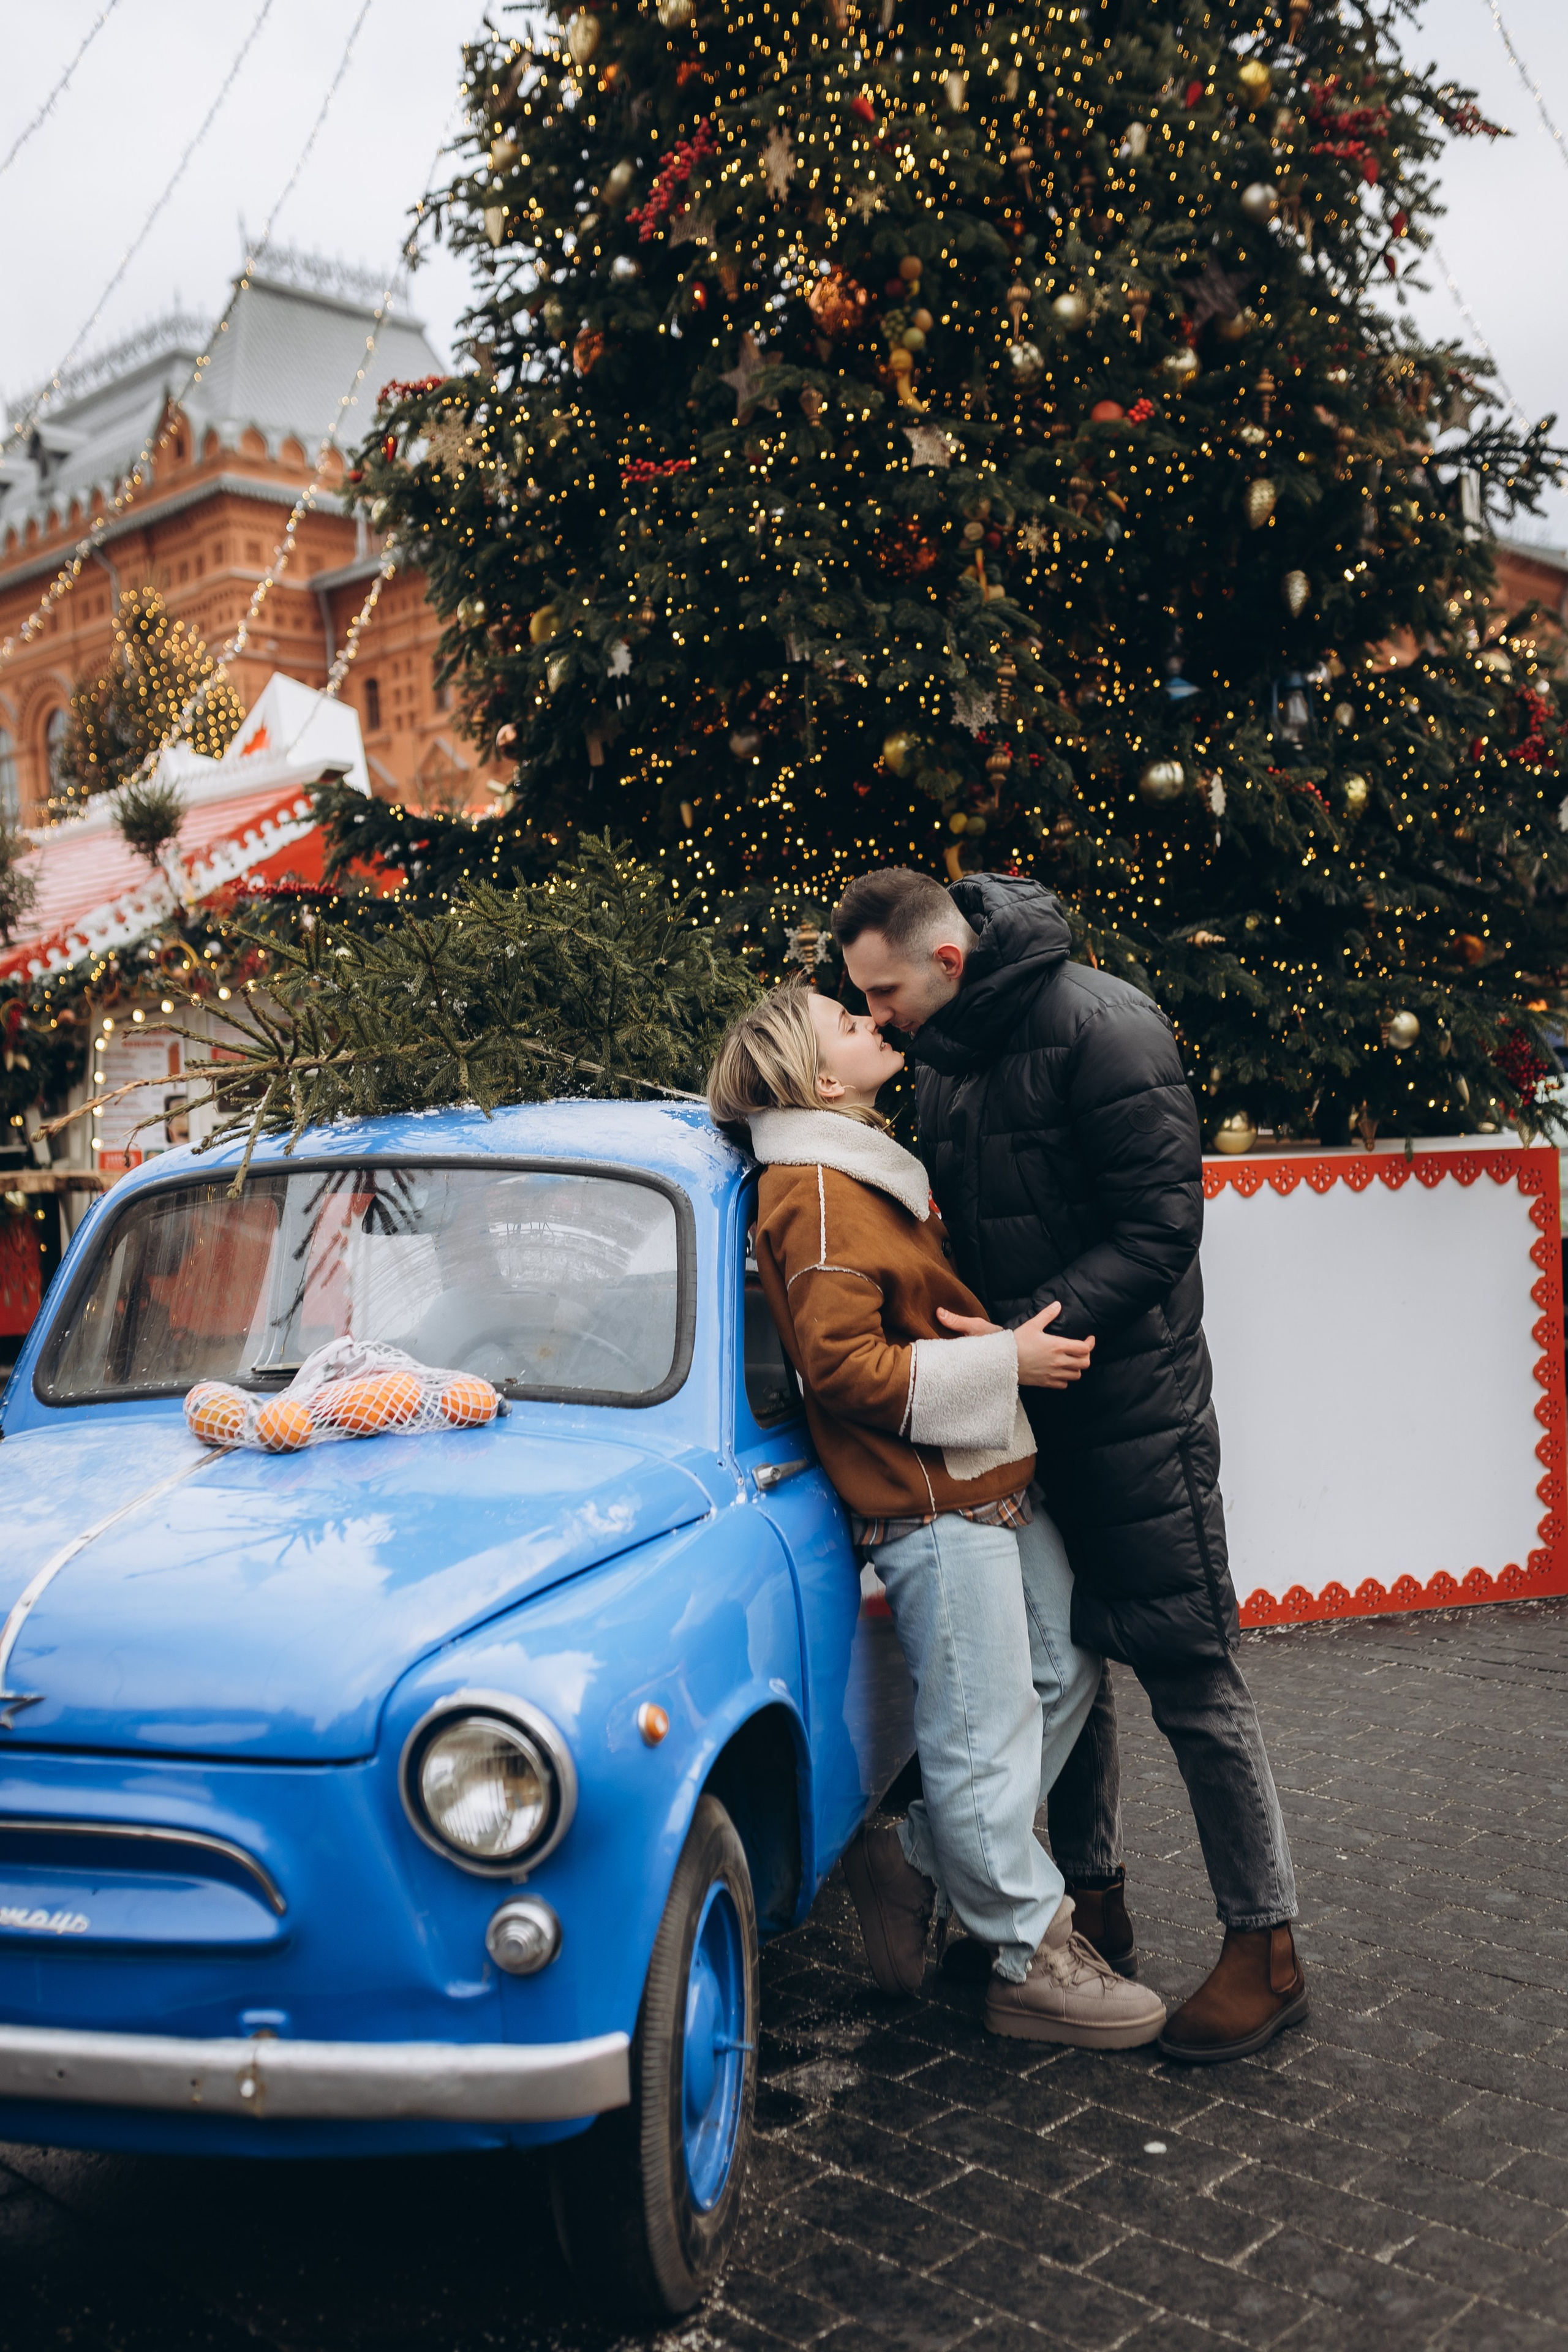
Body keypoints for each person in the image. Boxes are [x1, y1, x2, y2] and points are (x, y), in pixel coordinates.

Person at [832, 867, 1307, 2066]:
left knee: (1188, 1668)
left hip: (1132, 1409)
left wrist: (1017, 1336)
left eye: (884, 994)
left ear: (945, 962)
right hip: (1017, 1408)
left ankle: (1266, 1947)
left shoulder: (1106, 1024)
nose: (877, 1019)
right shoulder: (944, 1060)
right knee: (1071, 1661)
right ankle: (1085, 1904)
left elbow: (1158, 1230)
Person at [707, 982, 1167, 2048]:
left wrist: (989, 1353)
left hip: (982, 1472)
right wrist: (1008, 1360)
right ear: (820, 1081)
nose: (873, 1023)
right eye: (847, 1023)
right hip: (927, 1500)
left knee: (1060, 1672)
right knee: (977, 1730)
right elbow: (841, 1365)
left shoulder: (857, 1174)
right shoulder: (816, 1190)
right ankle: (1027, 1951)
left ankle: (911, 1859)